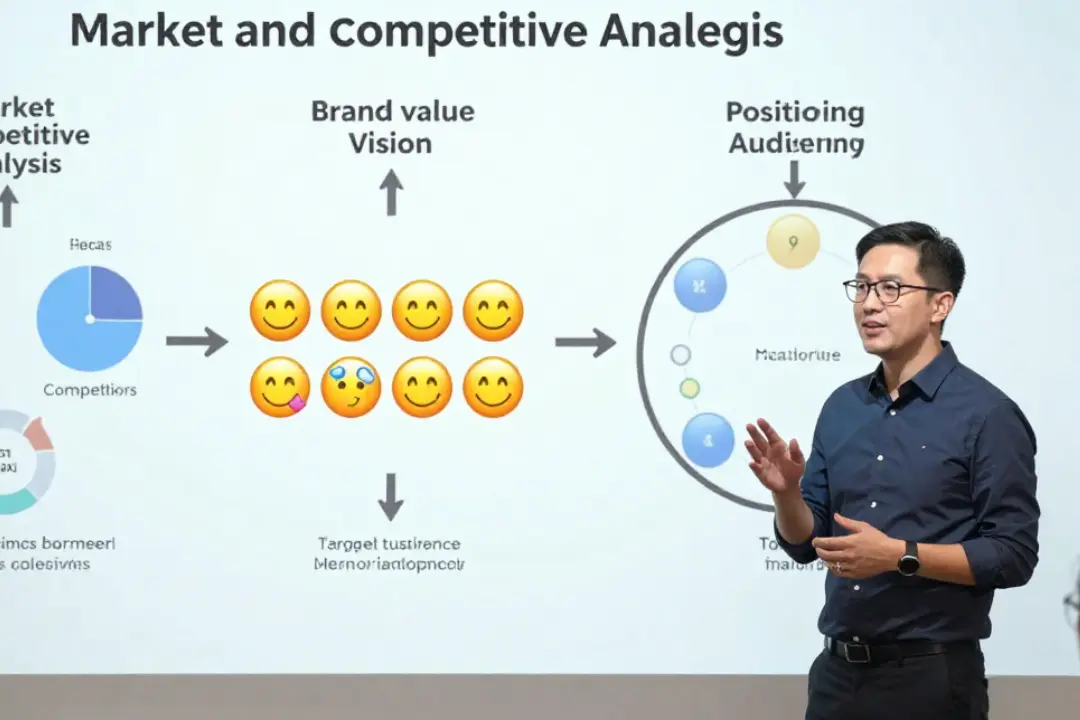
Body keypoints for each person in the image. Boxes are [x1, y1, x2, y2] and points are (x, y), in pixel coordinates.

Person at [744, 221, 1039, 719]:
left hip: (931, 679)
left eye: (890, 289)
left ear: (940, 305)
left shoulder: (987, 415)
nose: (869, 304)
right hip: (836, 678)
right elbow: (804, 543)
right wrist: (787, 495)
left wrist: (899, 556)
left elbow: (1013, 555)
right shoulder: (842, 406)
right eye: (861, 287)